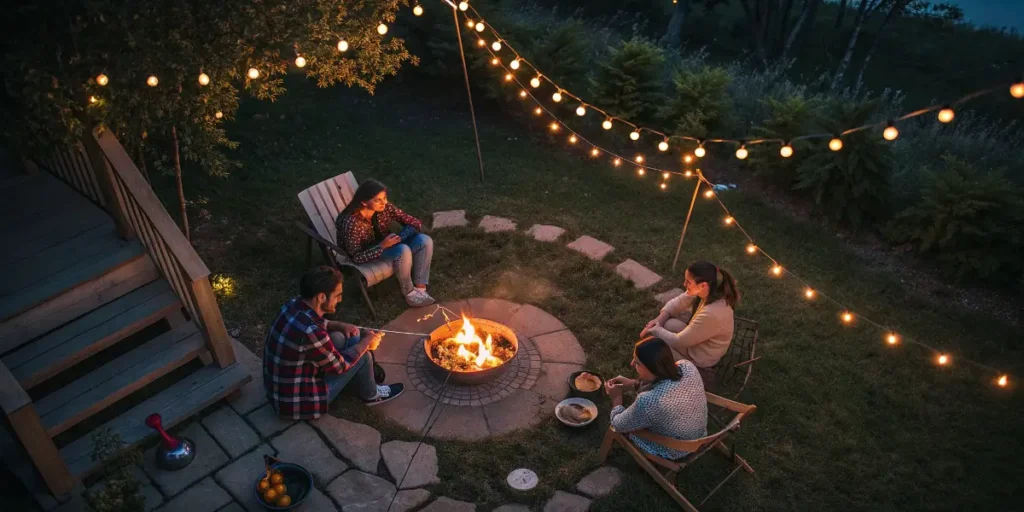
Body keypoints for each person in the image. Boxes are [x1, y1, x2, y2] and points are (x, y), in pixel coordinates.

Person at [263, 266, 404, 420]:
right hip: (298, 403)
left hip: (279, 389)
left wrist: (339, 325)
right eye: (337, 295)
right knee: (363, 356)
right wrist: (366, 342)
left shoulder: (294, 304)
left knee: (339, 337)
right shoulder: (311, 332)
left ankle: (359, 378)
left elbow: (314, 320)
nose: (340, 300)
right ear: (321, 297)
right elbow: (340, 366)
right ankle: (371, 395)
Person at [336, 179, 435, 307]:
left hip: (388, 244)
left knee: (425, 240)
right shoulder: (351, 223)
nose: (385, 203)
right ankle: (410, 294)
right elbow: (356, 257)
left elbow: (414, 223)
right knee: (403, 250)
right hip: (368, 252)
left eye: (385, 197)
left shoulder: (385, 208)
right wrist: (382, 246)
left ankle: (421, 290)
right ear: (364, 202)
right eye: (378, 200)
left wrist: (398, 238)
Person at [640, 260, 740, 387]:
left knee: (654, 345)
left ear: (703, 285)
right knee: (670, 324)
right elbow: (677, 303)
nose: (684, 284)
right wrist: (658, 320)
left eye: (688, 282)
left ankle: (654, 381)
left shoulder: (711, 313)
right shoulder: (709, 291)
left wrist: (656, 330)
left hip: (701, 357)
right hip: (699, 344)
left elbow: (678, 341)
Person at [605, 337, 708, 459]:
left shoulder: (649, 401)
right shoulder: (687, 367)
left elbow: (618, 425)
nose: (631, 364)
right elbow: (662, 380)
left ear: (651, 368)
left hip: (676, 449)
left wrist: (616, 398)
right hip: (700, 435)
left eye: (637, 363)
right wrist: (634, 384)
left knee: (629, 426)